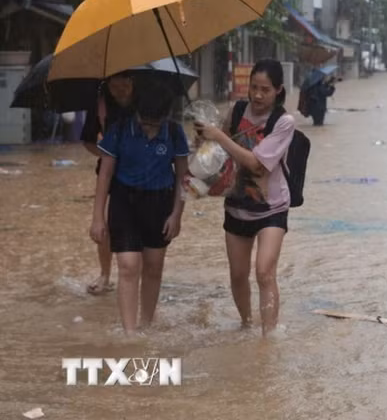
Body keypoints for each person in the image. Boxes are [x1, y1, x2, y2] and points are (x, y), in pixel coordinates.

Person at [194, 59, 294, 336]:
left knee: (264, 271)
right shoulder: (237, 110)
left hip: (272, 207)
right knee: (238, 275)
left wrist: (220, 137)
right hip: (237, 205)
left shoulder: (283, 122)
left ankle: (268, 336)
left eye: (265, 90)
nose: (258, 95)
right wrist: (204, 139)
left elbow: (257, 165)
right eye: (253, 88)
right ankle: (247, 325)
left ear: (278, 90)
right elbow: (218, 152)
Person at [89, 80, 188, 335]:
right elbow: (105, 175)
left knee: (154, 266)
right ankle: (130, 333)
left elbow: (183, 179)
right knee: (128, 265)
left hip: (160, 204)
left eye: (154, 123)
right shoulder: (120, 130)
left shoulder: (175, 134)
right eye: (144, 121)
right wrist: (97, 217)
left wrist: (177, 214)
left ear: (166, 116)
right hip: (125, 202)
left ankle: (146, 323)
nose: (148, 128)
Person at [81, 71, 136, 295]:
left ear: (134, 83)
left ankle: (135, 272)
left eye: (125, 86)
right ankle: (105, 274)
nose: (120, 91)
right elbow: (87, 140)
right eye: (115, 87)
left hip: (141, 169)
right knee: (105, 222)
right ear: (108, 84)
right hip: (110, 172)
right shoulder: (100, 103)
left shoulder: (146, 101)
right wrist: (106, 154)